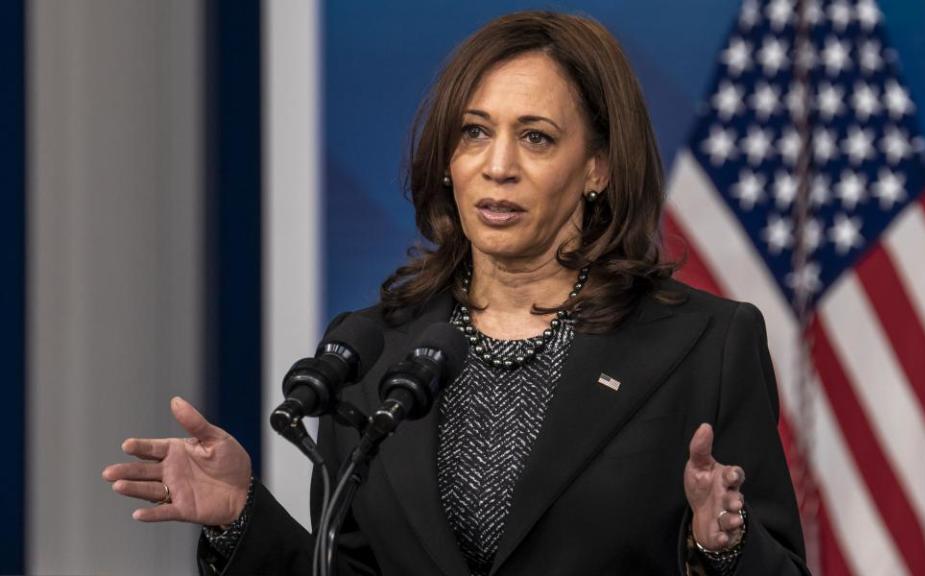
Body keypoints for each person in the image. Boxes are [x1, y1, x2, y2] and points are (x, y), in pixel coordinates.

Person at [103, 11, 810, 576]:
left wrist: (722, 546)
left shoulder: (703, 346)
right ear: (448, 159)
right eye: (475, 133)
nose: (497, 167)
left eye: (535, 138)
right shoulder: (371, 351)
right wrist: (242, 518)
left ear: (597, 168)